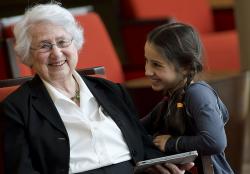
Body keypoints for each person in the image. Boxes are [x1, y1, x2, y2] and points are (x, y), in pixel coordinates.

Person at [0, 3, 194, 174]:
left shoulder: (112, 91)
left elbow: (141, 143)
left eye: (62, 42)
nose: (57, 53)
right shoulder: (17, 108)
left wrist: (163, 164)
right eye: (44, 46)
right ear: (28, 55)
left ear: (75, 45)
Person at [141, 22, 234, 174]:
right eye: (146, 61)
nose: (147, 71)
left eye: (157, 65)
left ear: (186, 67)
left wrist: (171, 143)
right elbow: (136, 129)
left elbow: (215, 142)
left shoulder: (197, 94)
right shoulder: (168, 102)